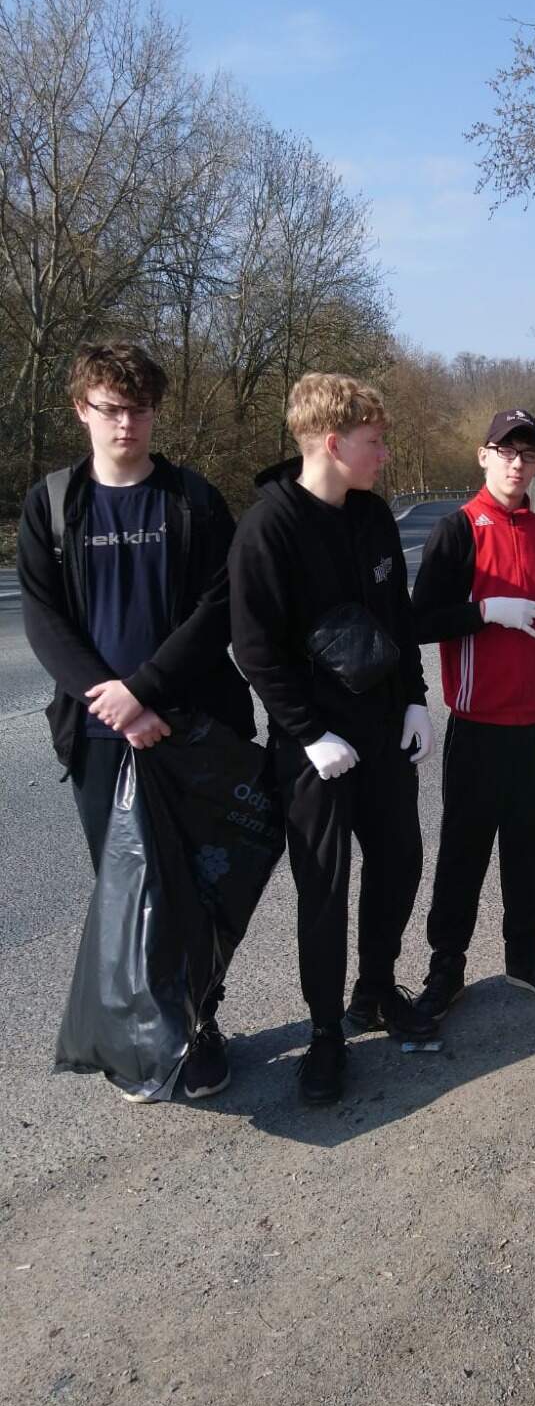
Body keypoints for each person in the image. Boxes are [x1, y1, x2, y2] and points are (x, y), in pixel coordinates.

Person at [17, 340, 255, 1101]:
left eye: (141, 410)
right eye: (112, 409)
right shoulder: (52, 504)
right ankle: (145, 1038)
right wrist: (113, 701)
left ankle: (201, 1025)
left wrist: (146, 692)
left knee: (196, 889)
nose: (127, 424)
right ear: (81, 410)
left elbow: (218, 607)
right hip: (98, 735)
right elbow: (44, 619)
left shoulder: (193, 500)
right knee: (127, 893)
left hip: (190, 729)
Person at [228, 372, 436, 1105]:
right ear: (332, 442)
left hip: (382, 733)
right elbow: (255, 649)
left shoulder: (373, 516)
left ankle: (375, 989)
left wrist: (415, 700)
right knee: (324, 890)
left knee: (400, 862)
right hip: (313, 750)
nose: (384, 453)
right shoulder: (268, 528)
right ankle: (324, 1033)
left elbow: (397, 617)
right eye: (374, 441)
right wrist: (310, 733)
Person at [411, 408, 535, 1021]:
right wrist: (485, 612)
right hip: (476, 727)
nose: (516, 463)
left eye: (527, 453)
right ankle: (446, 967)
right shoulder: (458, 530)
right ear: (483, 456)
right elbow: (419, 620)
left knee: (530, 854)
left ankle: (524, 957)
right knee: (463, 852)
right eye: (505, 451)